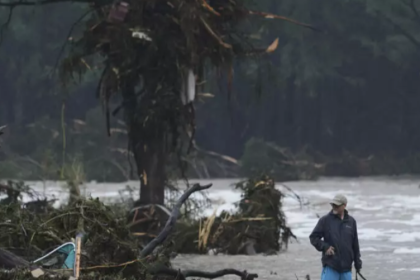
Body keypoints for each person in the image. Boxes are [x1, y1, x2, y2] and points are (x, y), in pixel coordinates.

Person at [309, 194, 362, 280]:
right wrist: (325, 247)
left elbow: (355, 244)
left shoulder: (351, 222)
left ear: (344, 205)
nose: (334, 207)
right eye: (333, 204)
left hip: (346, 268)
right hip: (331, 266)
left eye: (337, 205)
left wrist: (358, 263)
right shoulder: (325, 220)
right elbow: (313, 237)